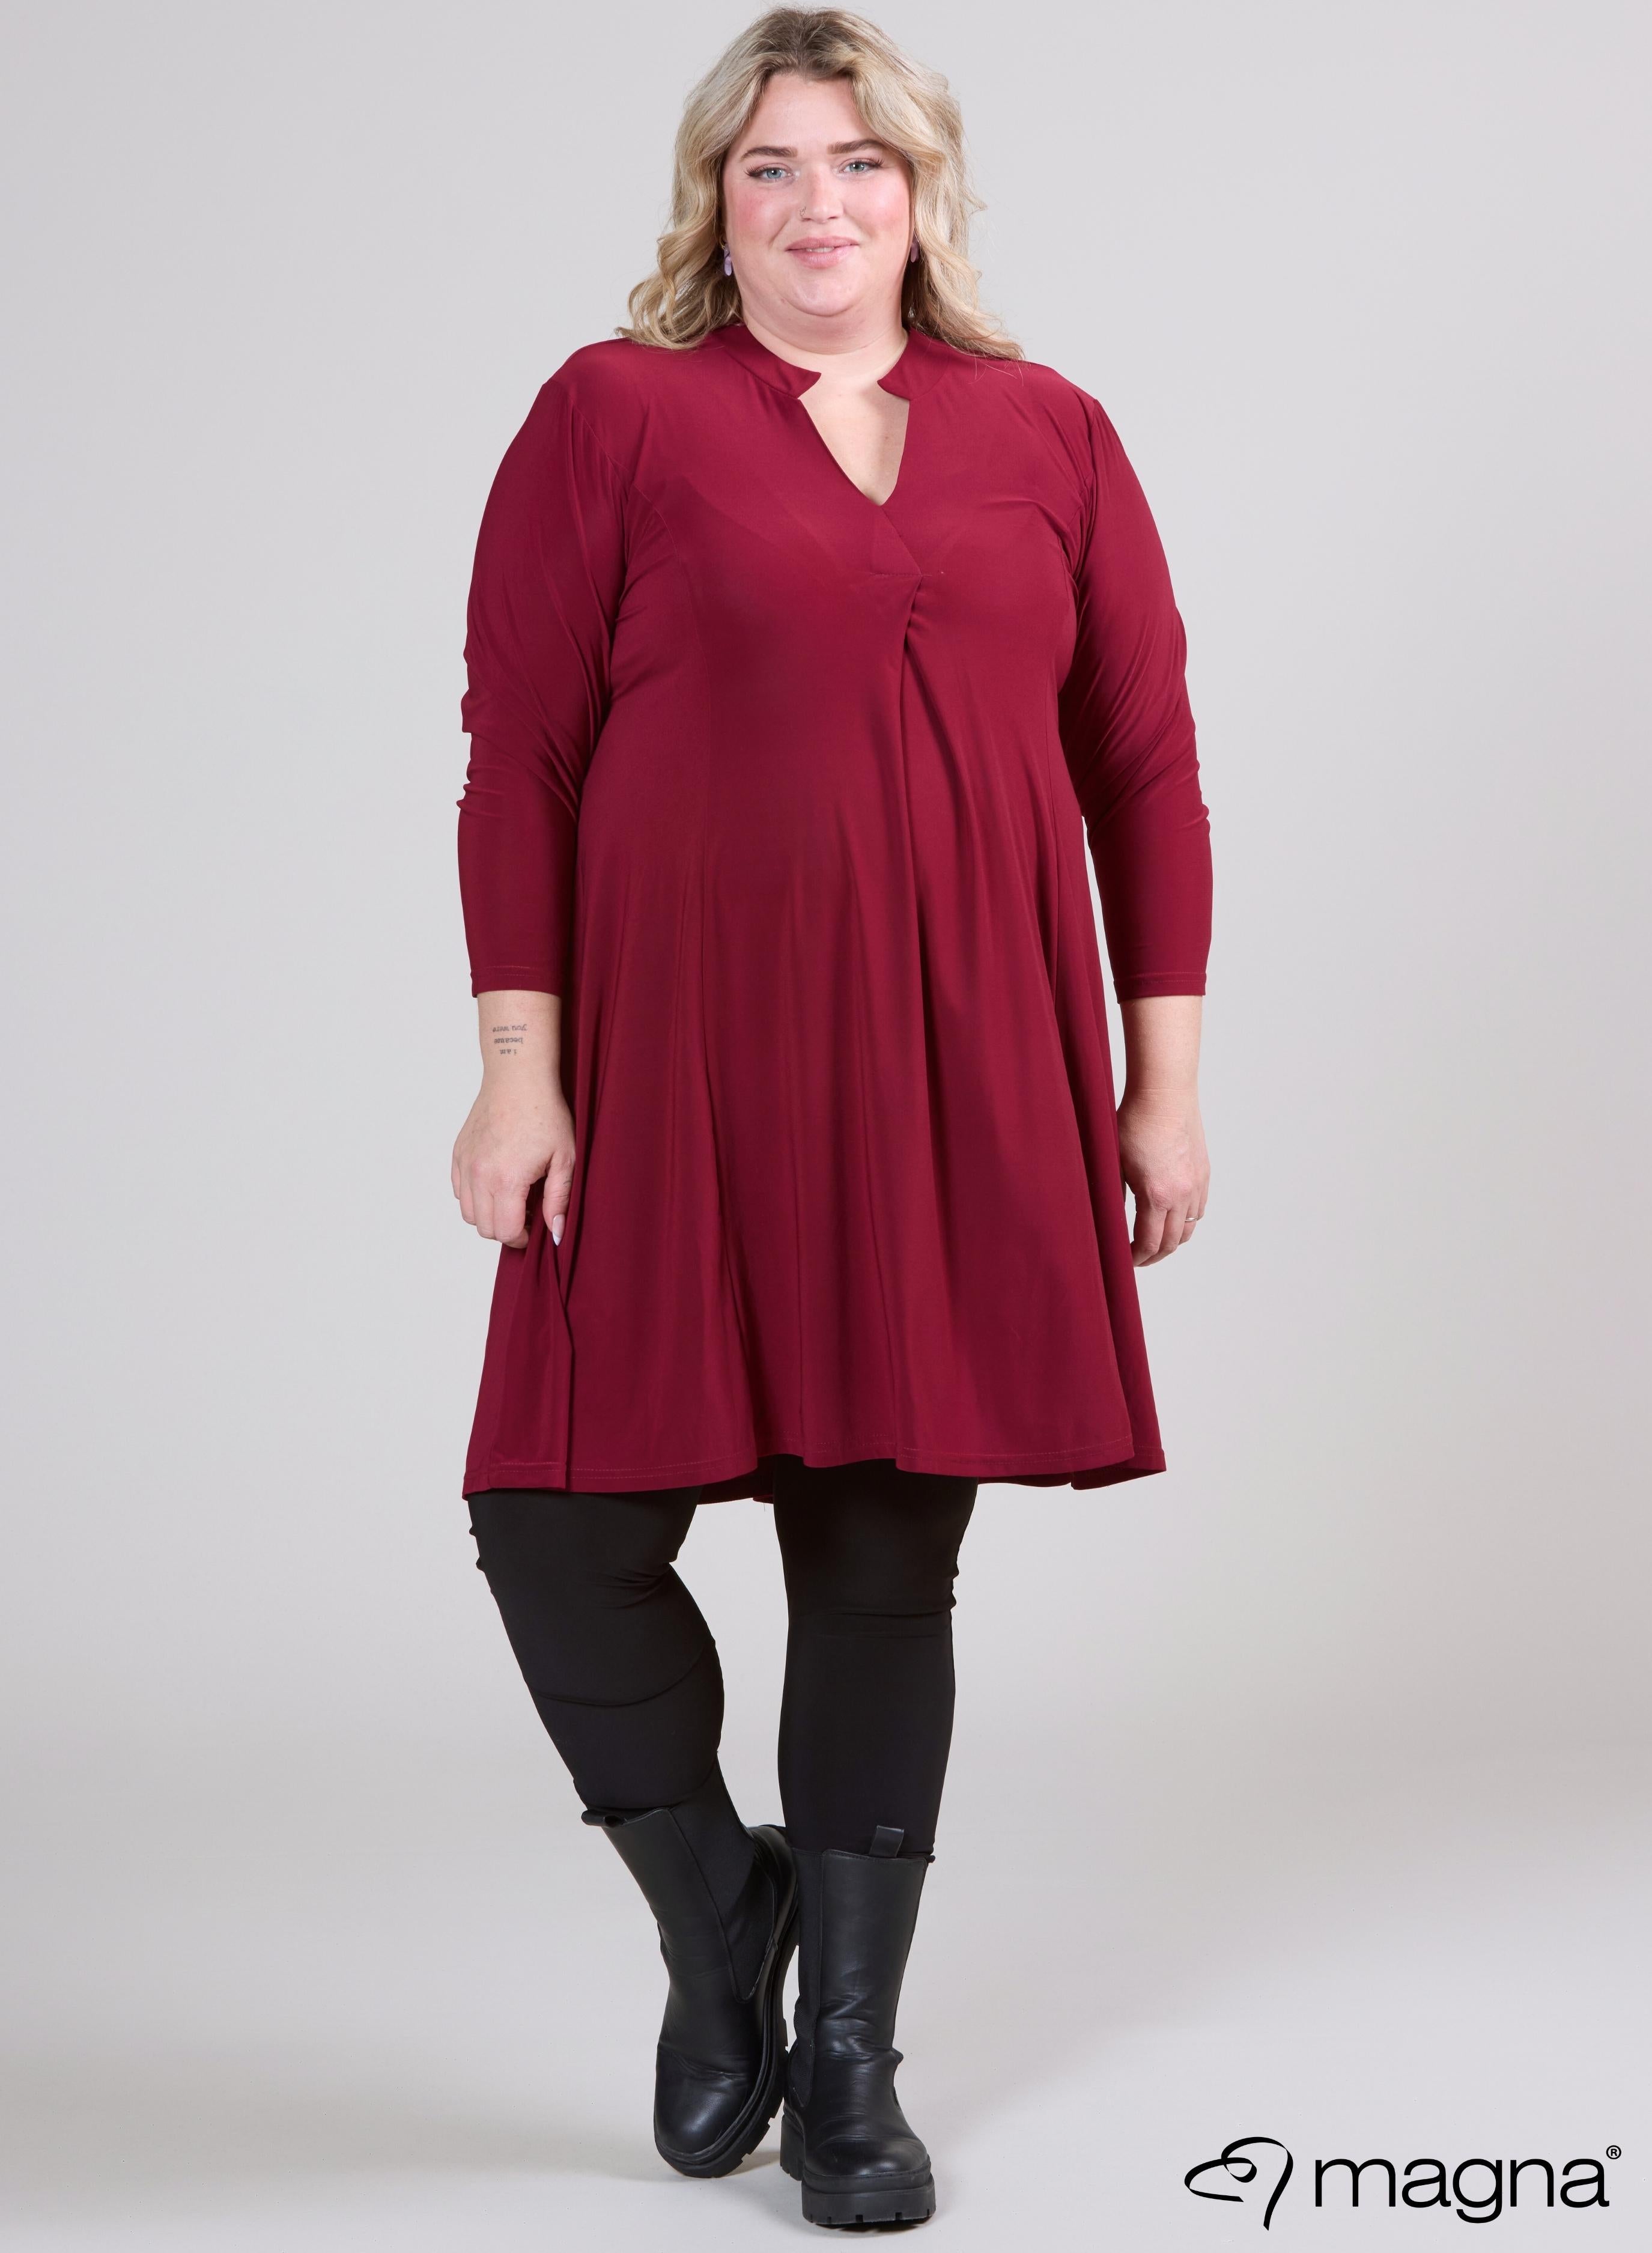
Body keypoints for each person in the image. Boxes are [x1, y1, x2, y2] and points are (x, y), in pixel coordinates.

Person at [449, 7, 1210, 2230]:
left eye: (860, 162)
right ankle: (722, 1920)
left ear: (923, 192)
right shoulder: (617, 413)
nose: (817, 205)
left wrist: (1161, 1084)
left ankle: (852, 2061)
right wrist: (520, 1067)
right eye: (770, 165)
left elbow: (1145, 765)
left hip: (966, 1053)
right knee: (554, 1517)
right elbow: (522, 755)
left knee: (884, 1548)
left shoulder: (1050, 430)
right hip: (678, 1052)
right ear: (716, 196)